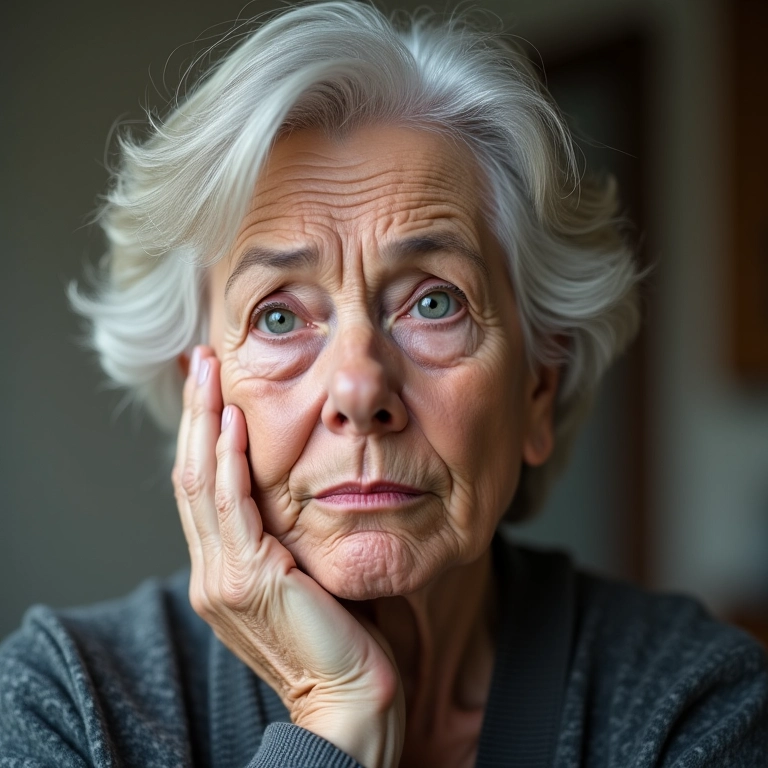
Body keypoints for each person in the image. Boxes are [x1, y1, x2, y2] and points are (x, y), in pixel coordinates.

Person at [1, 2, 766, 766]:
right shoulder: (67, 702)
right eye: (278, 317)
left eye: (434, 302)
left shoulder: (695, 706)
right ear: (201, 392)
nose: (361, 390)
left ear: (538, 383)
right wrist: (332, 721)